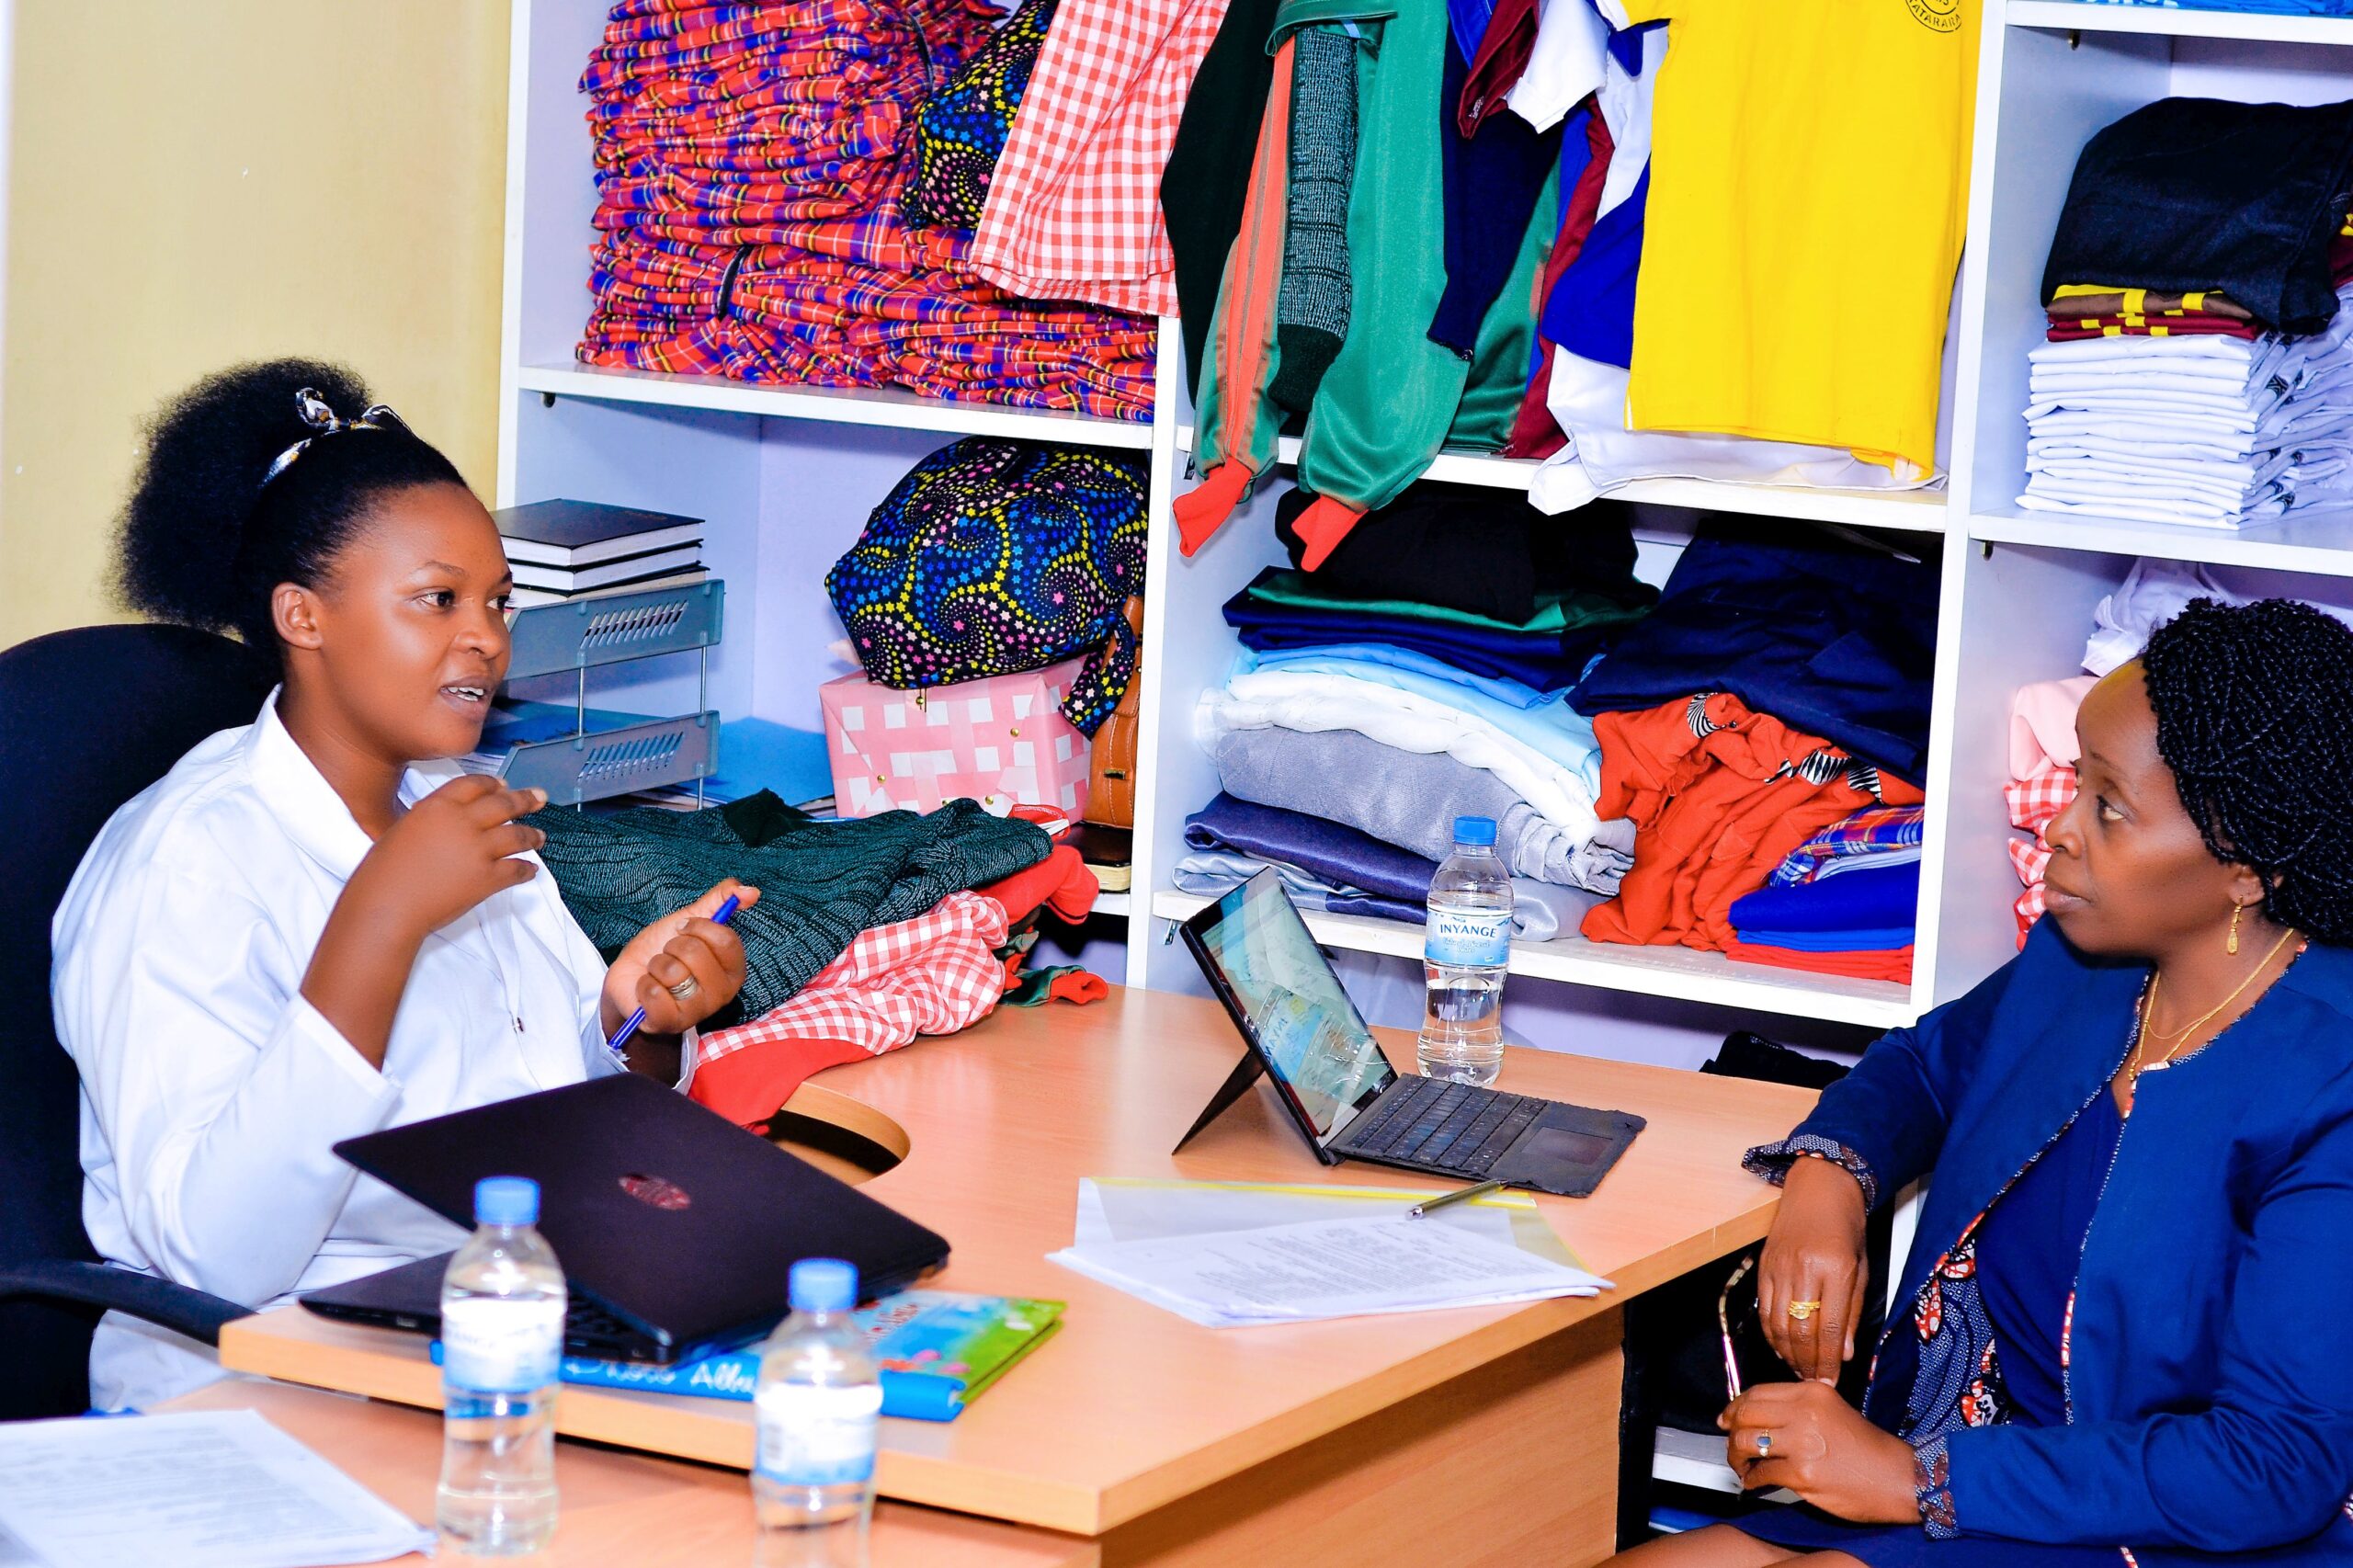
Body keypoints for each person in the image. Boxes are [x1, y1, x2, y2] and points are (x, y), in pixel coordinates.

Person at [51, 360, 760, 1411]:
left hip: (490, 1320)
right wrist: (378, 924)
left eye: (498, 601)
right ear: (303, 616)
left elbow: (545, 1106)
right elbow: (210, 1255)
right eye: (438, 599)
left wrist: (635, 1024)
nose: (488, 637)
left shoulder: (456, 804)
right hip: (264, 1379)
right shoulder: (184, 862)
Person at [1608, 596, 2353, 1566]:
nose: (2060, 830)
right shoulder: (2087, 962)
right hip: (1962, 1471)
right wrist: (1829, 1182)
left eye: (2108, 807)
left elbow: (2271, 1464)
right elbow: (1923, 1066)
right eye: (2075, 784)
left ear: (2244, 867)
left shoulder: (2329, 1085)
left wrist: (1915, 1477)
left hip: (2157, 1525)